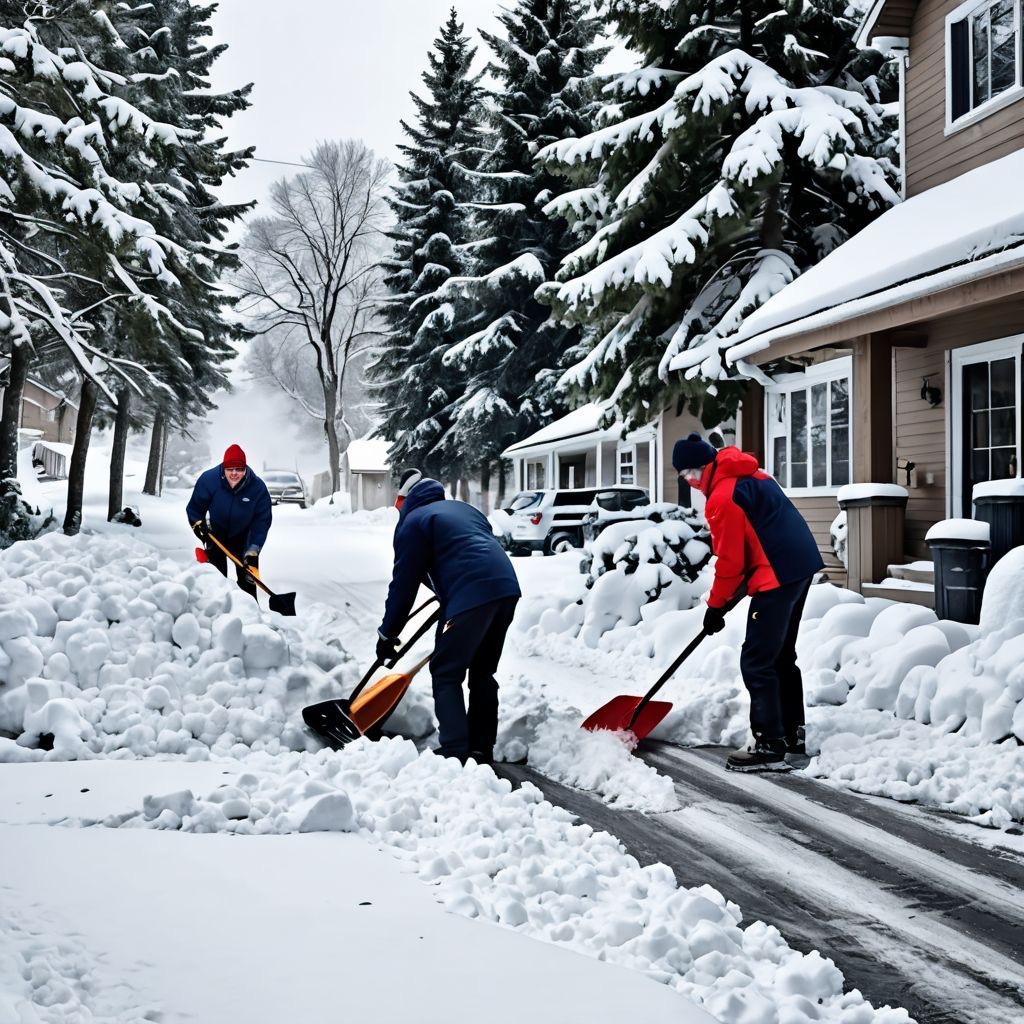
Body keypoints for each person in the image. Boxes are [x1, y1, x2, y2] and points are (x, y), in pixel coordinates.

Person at [672, 432, 824, 772]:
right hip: (798, 568)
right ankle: (791, 736)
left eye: (687, 474)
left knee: (757, 660)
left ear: (698, 469)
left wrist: (715, 606)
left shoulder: (723, 497)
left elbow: (730, 562)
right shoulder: (752, 475)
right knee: (780, 656)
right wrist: (724, 601)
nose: (689, 482)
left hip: (777, 573)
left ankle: (769, 744)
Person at [377, 469, 521, 765]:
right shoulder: (463, 510)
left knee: (445, 671)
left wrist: (387, 634)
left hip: (471, 593)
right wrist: (450, 602)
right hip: (505, 588)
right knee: (482, 671)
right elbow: (464, 554)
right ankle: (481, 747)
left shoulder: (415, 522)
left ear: (406, 501)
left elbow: (403, 585)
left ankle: (455, 750)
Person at [186, 444, 273, 601]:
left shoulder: (257, 487)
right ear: (223, 468)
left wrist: (253, 549)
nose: (234, 473)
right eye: (230, 469)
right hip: (215, 535)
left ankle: (252, 615)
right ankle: (216, 610)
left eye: (239, 469)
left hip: (245, 537)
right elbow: (195, 508)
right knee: (216, 581)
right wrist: (199, 526)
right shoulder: (209, 480)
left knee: (248, 583)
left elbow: (262, 520)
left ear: (245, 469)